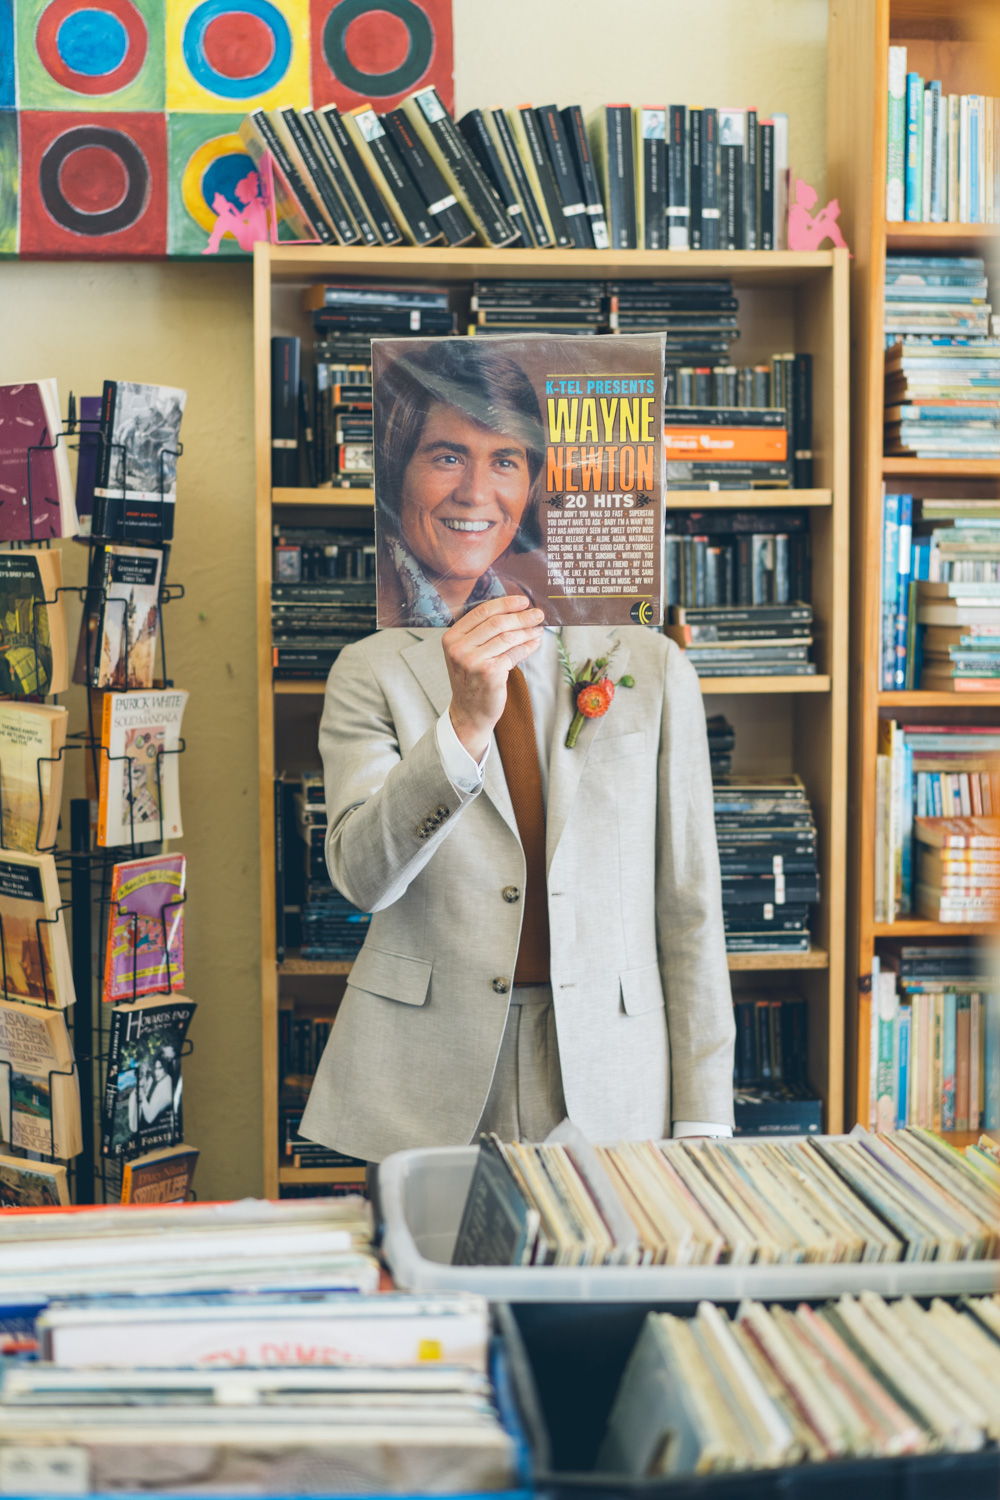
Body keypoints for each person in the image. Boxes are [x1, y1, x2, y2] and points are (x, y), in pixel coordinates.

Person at [300, 592, 736, 1164]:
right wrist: (462, 727)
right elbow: (362, 879)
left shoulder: (652, 662)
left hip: (617, 1071)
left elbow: (690, 901)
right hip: (425, 1072)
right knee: (430, 1251)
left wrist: (703, 1112)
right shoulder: (372, 666)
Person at [374, 340, 544, 628]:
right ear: (395, 473)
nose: (475, 494)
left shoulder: (529, 608)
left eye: (504, 463)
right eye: (449, 459)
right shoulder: (362, 650)